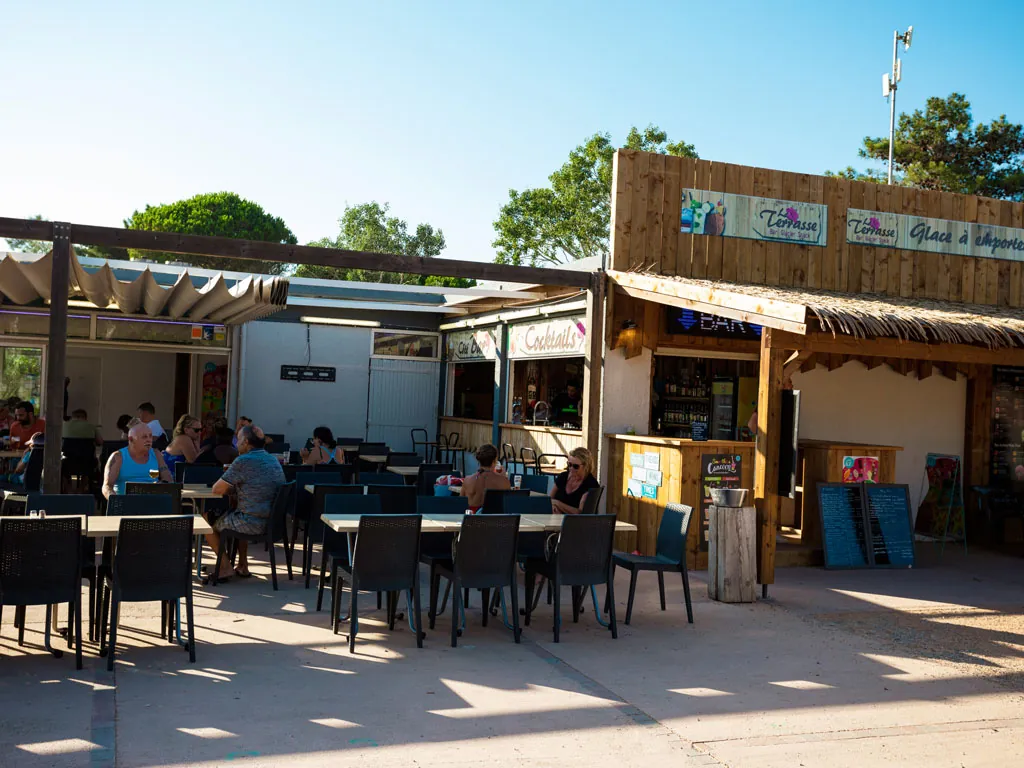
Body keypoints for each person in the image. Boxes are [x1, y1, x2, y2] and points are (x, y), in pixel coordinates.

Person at [204, 424, 285, 580]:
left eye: (239, 439)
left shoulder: (243, 460)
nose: (236, 442)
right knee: (239, 510)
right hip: (273, 523)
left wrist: (231, 485)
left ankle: (225, 567)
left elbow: (217, 490)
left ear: (246, 442)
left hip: (251, 523)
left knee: (205, 519)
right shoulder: (273, 460)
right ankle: (243, 565)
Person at [102, 422, 172, 498]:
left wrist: (162, 486)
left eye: (150, 436)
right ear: (131, 439)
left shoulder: (156, 454)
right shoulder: (118, 457)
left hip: (151, 502)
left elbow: (168, 479)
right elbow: (107, 486)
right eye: (144, 437)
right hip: (126, 504)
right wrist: (115, 500)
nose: (149, 440)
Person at [460, 443, 510, 512]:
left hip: (473, 520)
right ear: (494, 460)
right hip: (496, 520)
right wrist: (503, 477)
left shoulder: (468, 480)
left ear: (479, 460)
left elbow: (460, 505)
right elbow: (508, 506)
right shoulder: (504, 481)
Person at [550, 447, 600, 515]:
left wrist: (558, 504)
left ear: (586, 466)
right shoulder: (563, 477)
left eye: (575, 466)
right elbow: (549, 500)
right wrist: (553, 506)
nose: (571, 468)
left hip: (577, 524)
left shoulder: (591, 484)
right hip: (556, 520)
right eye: (569, 464)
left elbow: (581, 514)